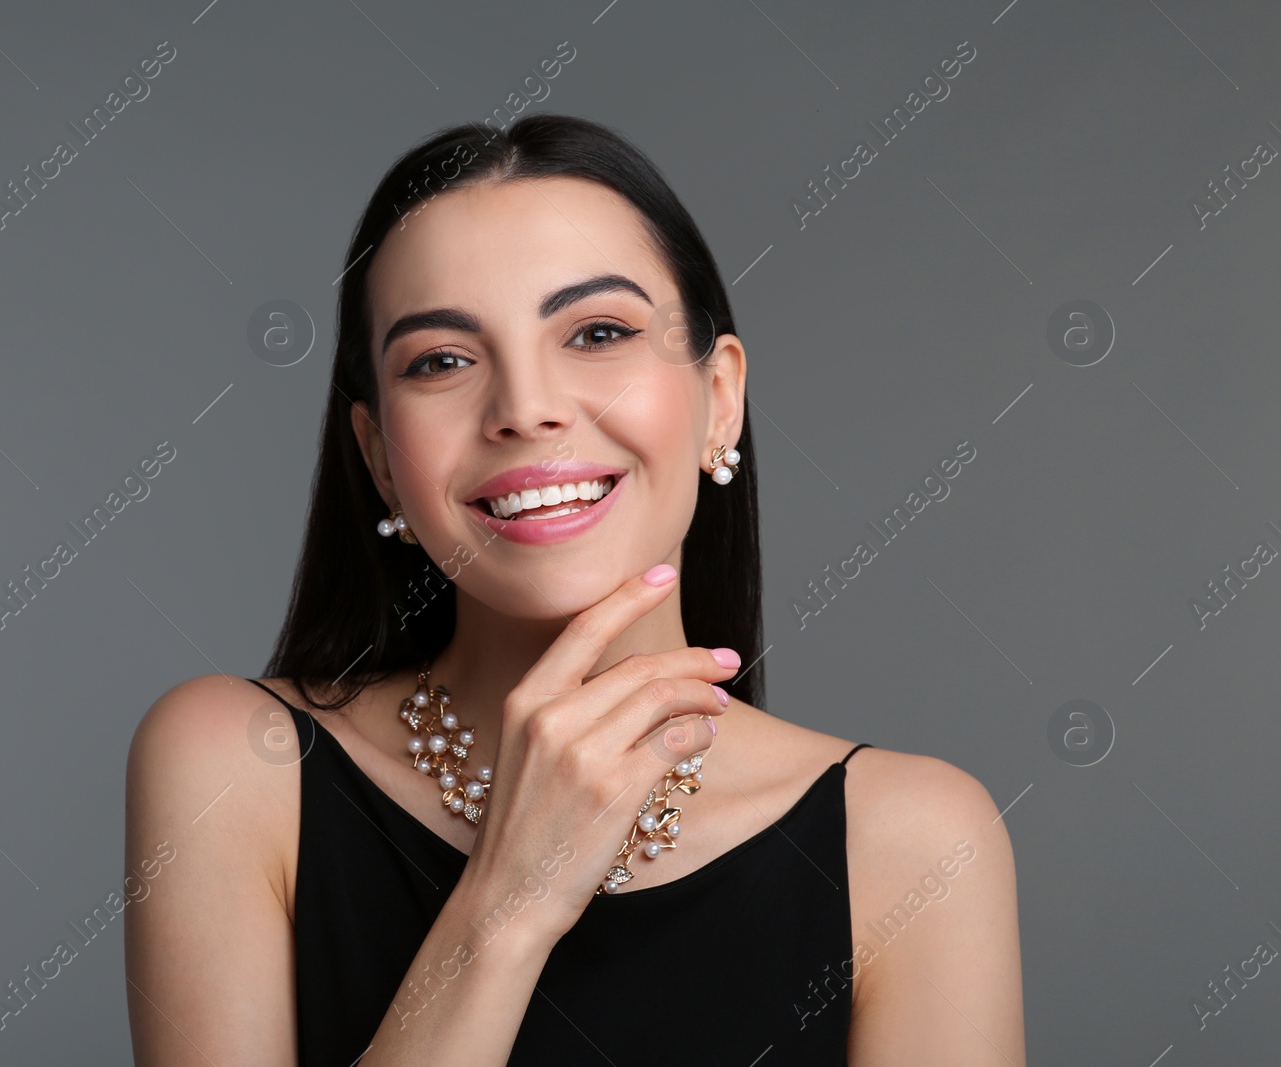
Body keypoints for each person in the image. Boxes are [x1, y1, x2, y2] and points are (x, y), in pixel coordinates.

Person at [124, 113, 1024, 1064]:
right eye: (441, 360)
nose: (525, 408)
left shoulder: (914, 840)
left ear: (720, 398)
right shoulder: (236, 767)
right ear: (381, 457)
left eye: (597, 332)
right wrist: (507, 901)